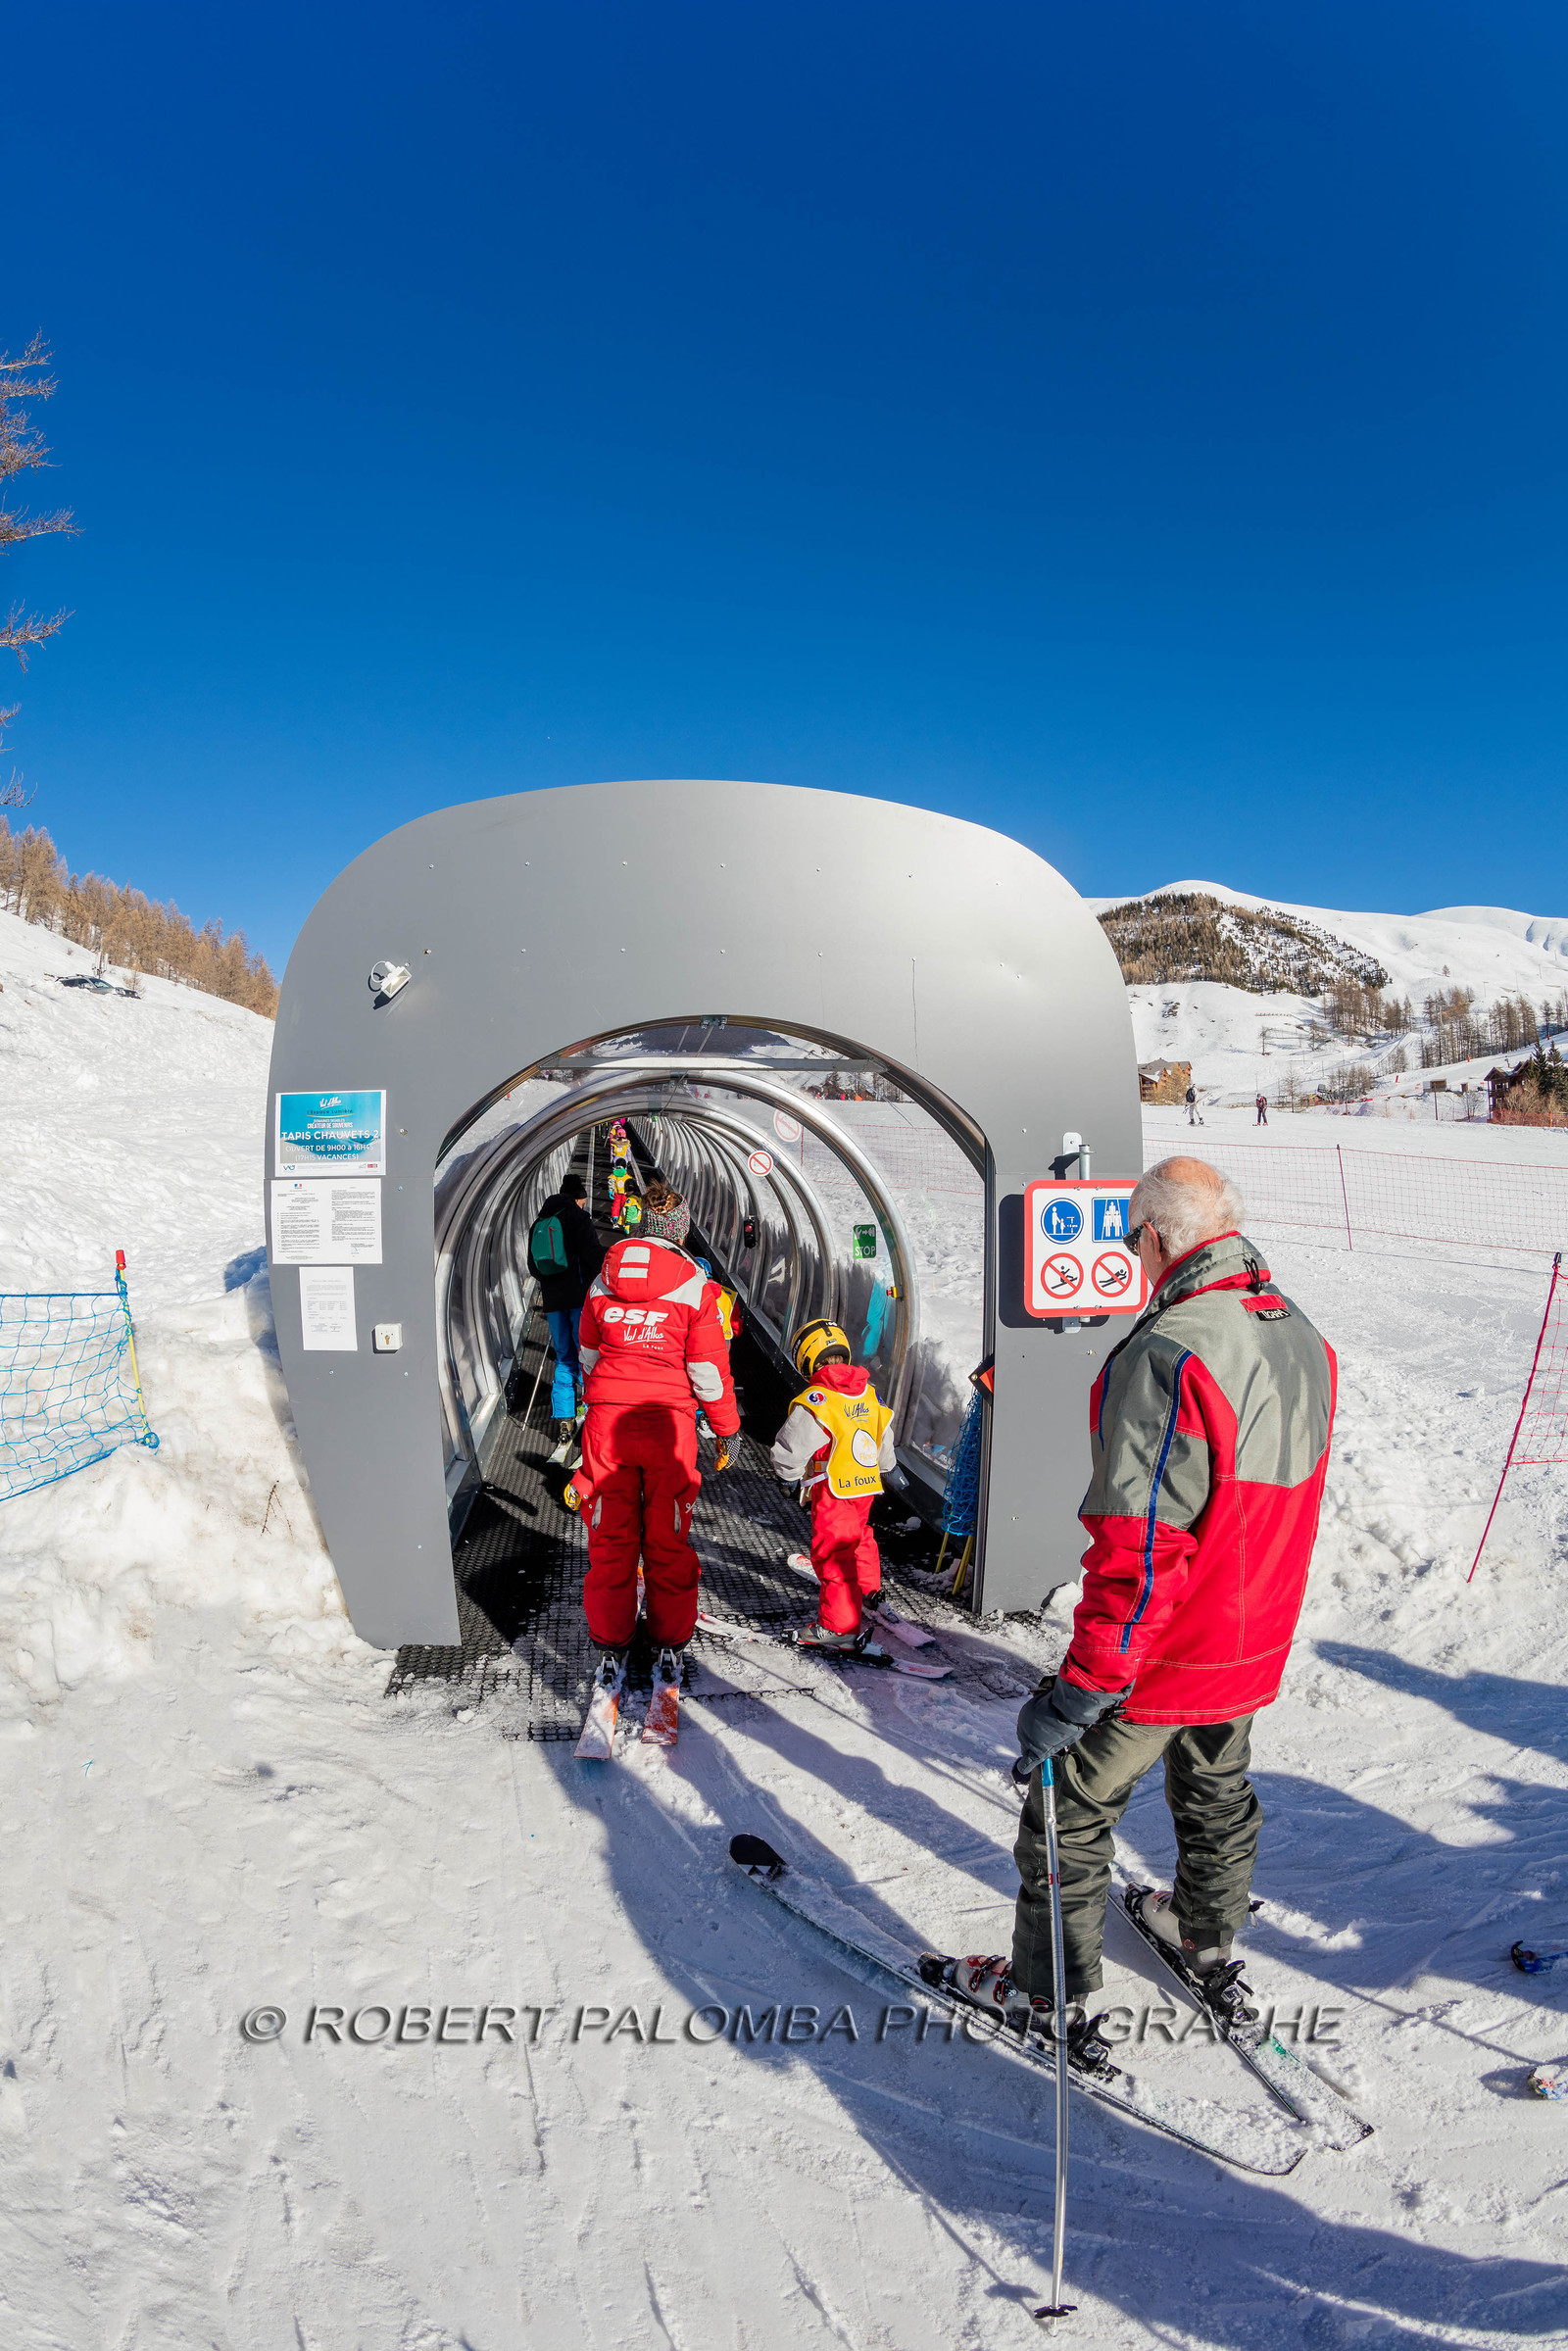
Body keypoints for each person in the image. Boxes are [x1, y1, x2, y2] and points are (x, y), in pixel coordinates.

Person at [930, 1156, 1336, 2079]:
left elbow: (1140, 1547)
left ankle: (1049, 1992)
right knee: (1216, 1785)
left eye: (1130, 1240)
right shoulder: (1301, 1335)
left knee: (1068, 1809)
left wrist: (1083, 1687)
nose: (1131, 1258)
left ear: (1157, 1236)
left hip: (1166, 1651)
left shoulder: (1171, 1352)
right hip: (1251, 1635)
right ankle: (1207, 1935)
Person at [571, 1178, 740, 1708]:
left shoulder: (604, 1277)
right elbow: (707, 1369)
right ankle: (669, 1643)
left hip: (608, 1427)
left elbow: (589, 1355)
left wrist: (601, 1399)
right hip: (669, 1427)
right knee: (667, 1538)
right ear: (680, 1228)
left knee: (610, 1538)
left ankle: (610, 1645)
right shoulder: (696, 1285)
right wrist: (726, 1428)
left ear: (640, 1225)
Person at [770, 1320, 899, 1652]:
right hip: (865, 1485)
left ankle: (838, 1628)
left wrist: (787, 1476)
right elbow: (883, 1433)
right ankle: (869, 1591)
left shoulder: (818, 1399)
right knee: (859, 1536)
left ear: (807, 1359)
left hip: (833, 1490)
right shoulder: (868, 1392)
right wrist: (888, 1467)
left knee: (833, 1553)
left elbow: (791, 1445)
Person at [527, 1172, 605, 1440]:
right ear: (578, 1198)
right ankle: (588, 1409)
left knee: (564, 1358)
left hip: (554, 1301)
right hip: (580, 1300)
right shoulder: (578, 1218)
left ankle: (563, 1418)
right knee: (586, 1356)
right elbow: (593, 1256)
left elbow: (534, 1266)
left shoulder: (540, 1221)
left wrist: (552, 1285)